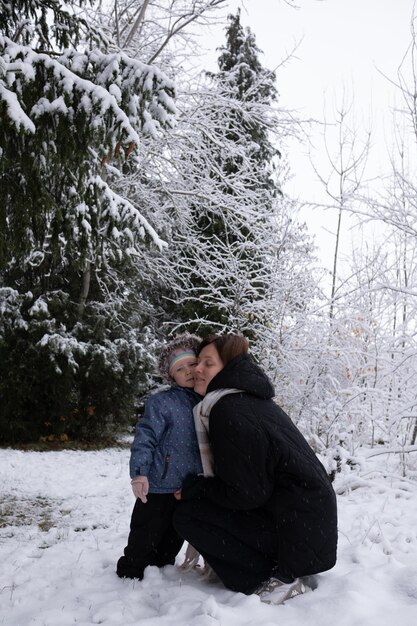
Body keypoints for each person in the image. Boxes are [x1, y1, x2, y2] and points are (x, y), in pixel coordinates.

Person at [173, 334, 338, 604]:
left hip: (295, 538)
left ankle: (270, 581)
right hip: (307, 532)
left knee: (188, 515)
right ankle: (275, 569)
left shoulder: (229, 410)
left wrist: (194, 487)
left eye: (208, 363)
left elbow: (246, 494)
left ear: (229, 369)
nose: (197, 370)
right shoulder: (247, 401)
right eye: (197, 362)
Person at [116, 333, 203, 580]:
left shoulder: (207, 402)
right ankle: (131, 569)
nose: (187, 372)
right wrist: (140, 473)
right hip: (158, 483)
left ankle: (162, 566)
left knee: (174, 535)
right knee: (146, 531)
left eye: (191, 365)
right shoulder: (162, 402)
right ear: (170, 375)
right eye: (179, 368)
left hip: (186, 486)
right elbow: (146, 437)